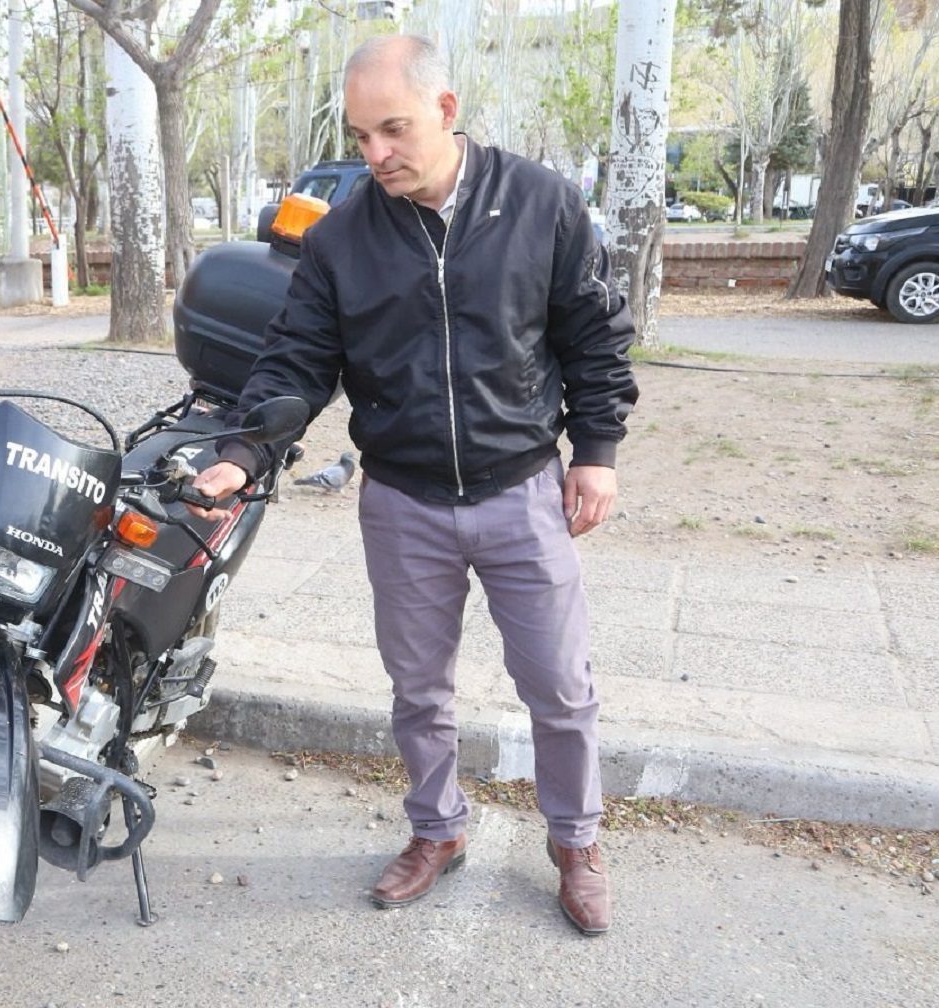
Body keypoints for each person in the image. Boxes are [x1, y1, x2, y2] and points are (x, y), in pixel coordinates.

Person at [190, 34, 639, 936]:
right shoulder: (341, 236)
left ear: (446, 109)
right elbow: (295, 361)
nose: (375, 155)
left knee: (559, 685)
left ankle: (576, 843)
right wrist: (242, 452)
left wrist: (596, 448)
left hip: (521, 492)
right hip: (401, 501)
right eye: (360, 136)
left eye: (391, 130)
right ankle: (438, 831)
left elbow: (594, 334)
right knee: (418, 690)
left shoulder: (541, 202)